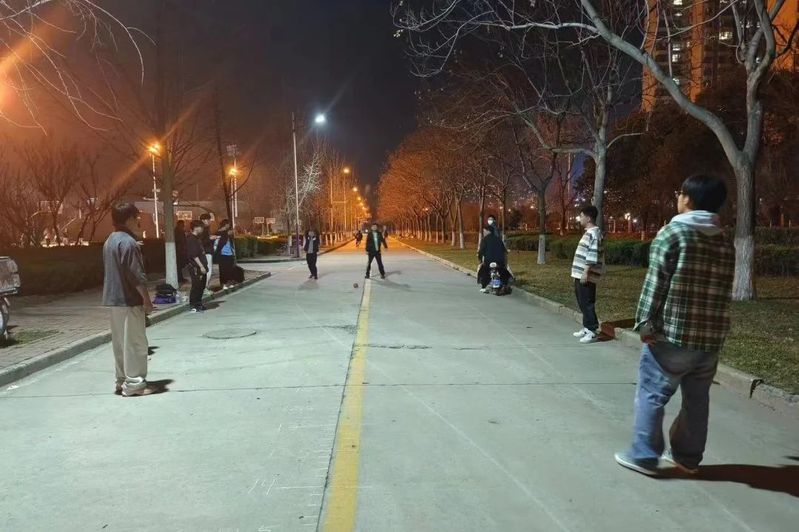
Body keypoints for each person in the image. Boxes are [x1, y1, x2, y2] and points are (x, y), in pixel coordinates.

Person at [614, 175, 735, 477]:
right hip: (710, 337)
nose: (678, 197)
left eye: (680, 193)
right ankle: (687, 457)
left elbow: (655, 283)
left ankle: (643, 455)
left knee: (652, 393)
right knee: (697, 400)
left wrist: (645, 323)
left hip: (673, 334)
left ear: (688, 199)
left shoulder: (673, 233)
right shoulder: (724, 239)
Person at [103, 203, 154, 397]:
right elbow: (135, 275)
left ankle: (121, 380)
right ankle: (134, 384)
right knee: (134, 343)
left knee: (120, 344)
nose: (138, 220)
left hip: (114, 299)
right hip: (129, 299)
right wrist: (146, 300)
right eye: (136, 217)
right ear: (130, 218)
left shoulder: (110, 240)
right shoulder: (129, 243)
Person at [571, 205, 604, 344]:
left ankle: (592, 330)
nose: (580, 219)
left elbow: (592, 254)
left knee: (587, 302)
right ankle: (587, 327)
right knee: (582, 302)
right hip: (579, 274)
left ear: (588, 218)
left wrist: (586, 272)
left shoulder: (594, 234)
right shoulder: (589, 233)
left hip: (586, 275)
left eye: (581, 216)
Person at [477, 224, 510, 292]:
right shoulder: (498, 239)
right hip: (500, 261)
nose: (483, 233)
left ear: (488, 231)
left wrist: (480, 260)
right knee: (503, 271)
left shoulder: (484, 240)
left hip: (489, 260)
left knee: (484, 271)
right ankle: (505, 284)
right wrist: (505, 262)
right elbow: (504, 251)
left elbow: (481, 251)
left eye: (484, 231)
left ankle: (483, 287)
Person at [186, 220, 209, 313]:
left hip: (202, 265)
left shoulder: (197, 238)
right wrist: (201, 266)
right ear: (196, 228)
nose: (202, 229)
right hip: (196, 267)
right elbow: (194, 255)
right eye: (201, 227)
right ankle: (193, 304)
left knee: (201, 285)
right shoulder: (191, 239)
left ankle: (199, 303)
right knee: (196, 285)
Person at [214, 219, 236, 289]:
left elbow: (231, 241)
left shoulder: (227, 232)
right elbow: (219, 240)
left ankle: (228, 282)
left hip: (230, 253)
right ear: (225, 224)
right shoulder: (219, 232)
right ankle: (223, 283)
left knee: (229, 269)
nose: (229, 226)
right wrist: (227, 233)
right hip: (222, 254)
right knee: (223, 269)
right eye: (228, 224)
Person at [199, 213, 217, 295]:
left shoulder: (204, 228)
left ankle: (204, 287)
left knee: (207, 270)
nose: (209, 221)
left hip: (206, 252)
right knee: (208, 270)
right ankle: (205, 287)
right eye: (208, 219)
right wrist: (211, 238)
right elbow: (202, 241)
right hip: (206, 252)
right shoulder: (203, 229)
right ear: (203, 220)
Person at [174, 220, 187, 284]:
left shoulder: (180, 231)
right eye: (182, 225)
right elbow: (180, 240)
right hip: (178, 251)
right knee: (178, 265)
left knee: (180, 265)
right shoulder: (177, 231)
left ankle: (180, 277)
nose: (183, 226)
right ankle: (179, 278)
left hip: (180, 250)